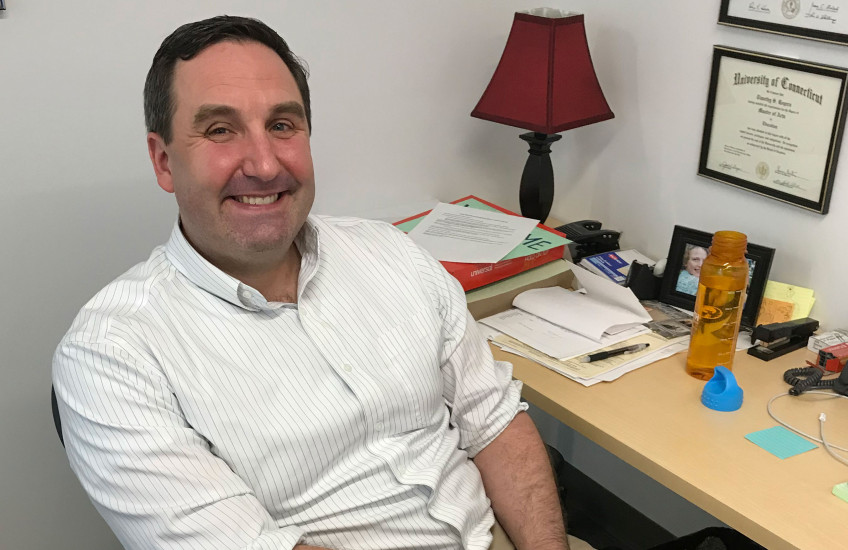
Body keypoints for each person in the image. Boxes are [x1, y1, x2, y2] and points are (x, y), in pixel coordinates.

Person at [53, 15, 576, 550]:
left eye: (282, 125)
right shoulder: (111, 353)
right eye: (219, 130)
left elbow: (494, 423)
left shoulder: (391, 252)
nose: (262, 163)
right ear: (164, 161)